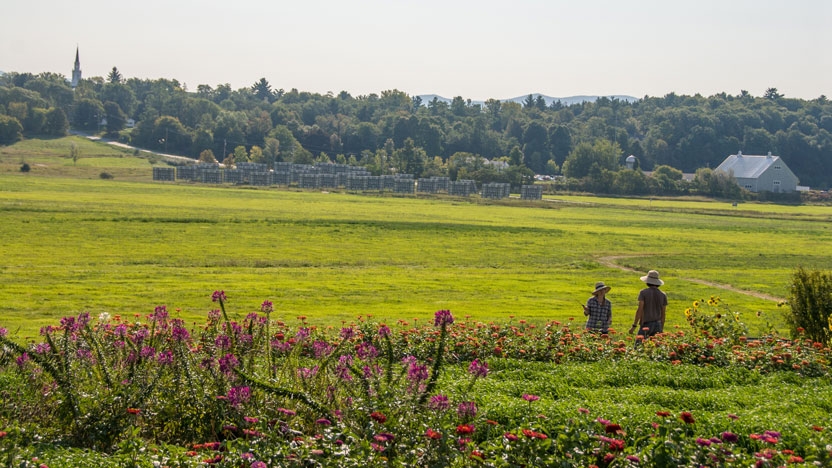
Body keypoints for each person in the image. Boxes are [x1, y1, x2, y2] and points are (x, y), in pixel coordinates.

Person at [629, 270, 667, 338]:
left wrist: (634, 326)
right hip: (658, 325)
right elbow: (663, 314)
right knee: (654, 347)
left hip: (646, 324)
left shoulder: (643, 293)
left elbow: (640, 310)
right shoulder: (663, 295)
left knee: (639, 346)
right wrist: (661, 329)